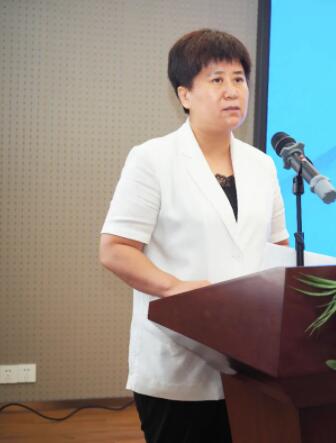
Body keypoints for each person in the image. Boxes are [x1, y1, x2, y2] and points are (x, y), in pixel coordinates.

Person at [99, 29, 289, 443]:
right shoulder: (152, 159)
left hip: (250, 360)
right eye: (216, 79)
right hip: (178, 355)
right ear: (184, 95)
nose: (232, 91)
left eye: (239, 79)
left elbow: (277, 247)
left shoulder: (262, 165)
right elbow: (115, 249)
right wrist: (176, 288)